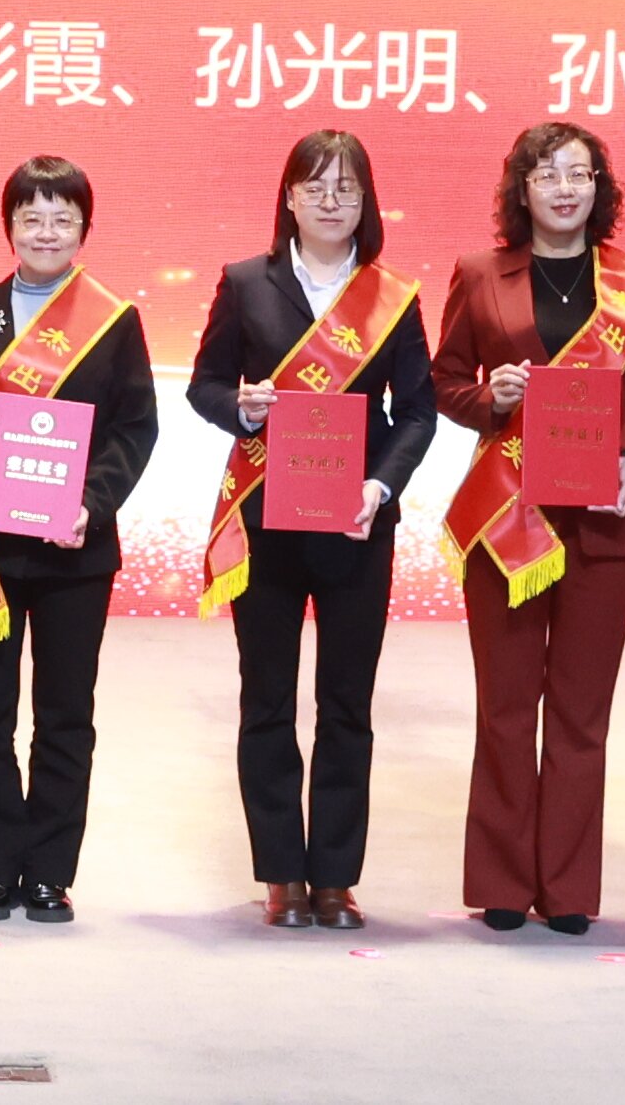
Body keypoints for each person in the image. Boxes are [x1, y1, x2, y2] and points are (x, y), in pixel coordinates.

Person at [188, 128, 438, 930]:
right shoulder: (246, 283)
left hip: (357, 522)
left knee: (346, 704)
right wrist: (241, 408)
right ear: (289, 197)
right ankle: (281, 874)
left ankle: (334, 877)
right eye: (315, 186)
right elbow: (203, 386)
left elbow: (418, 412)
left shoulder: (392, 295)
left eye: (346, 187)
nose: (331, 201)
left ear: (366, 201)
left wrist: (380, 484)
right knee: (266, 699)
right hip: (266, 519)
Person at [426, 120, 625, 936]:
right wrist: (488, 398)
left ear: (600, 188)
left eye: (580, 174)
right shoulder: (479, 274)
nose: (565, 188)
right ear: (520, 189)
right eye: (547, 174)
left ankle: (567, 889)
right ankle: (501, 881)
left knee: (580, 714)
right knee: (504, 705)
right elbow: (444, 381)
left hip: (605, 519)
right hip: (508, 515)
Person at [0, 154, 155, 925]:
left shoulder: (113, 320)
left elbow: (135, 429)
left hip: (74, 548)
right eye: (32, 218)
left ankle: (49, 871)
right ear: (9, 226)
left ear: (84, 228)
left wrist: (92, 502)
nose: (46, 232)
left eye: (62, 219)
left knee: (65, 714)